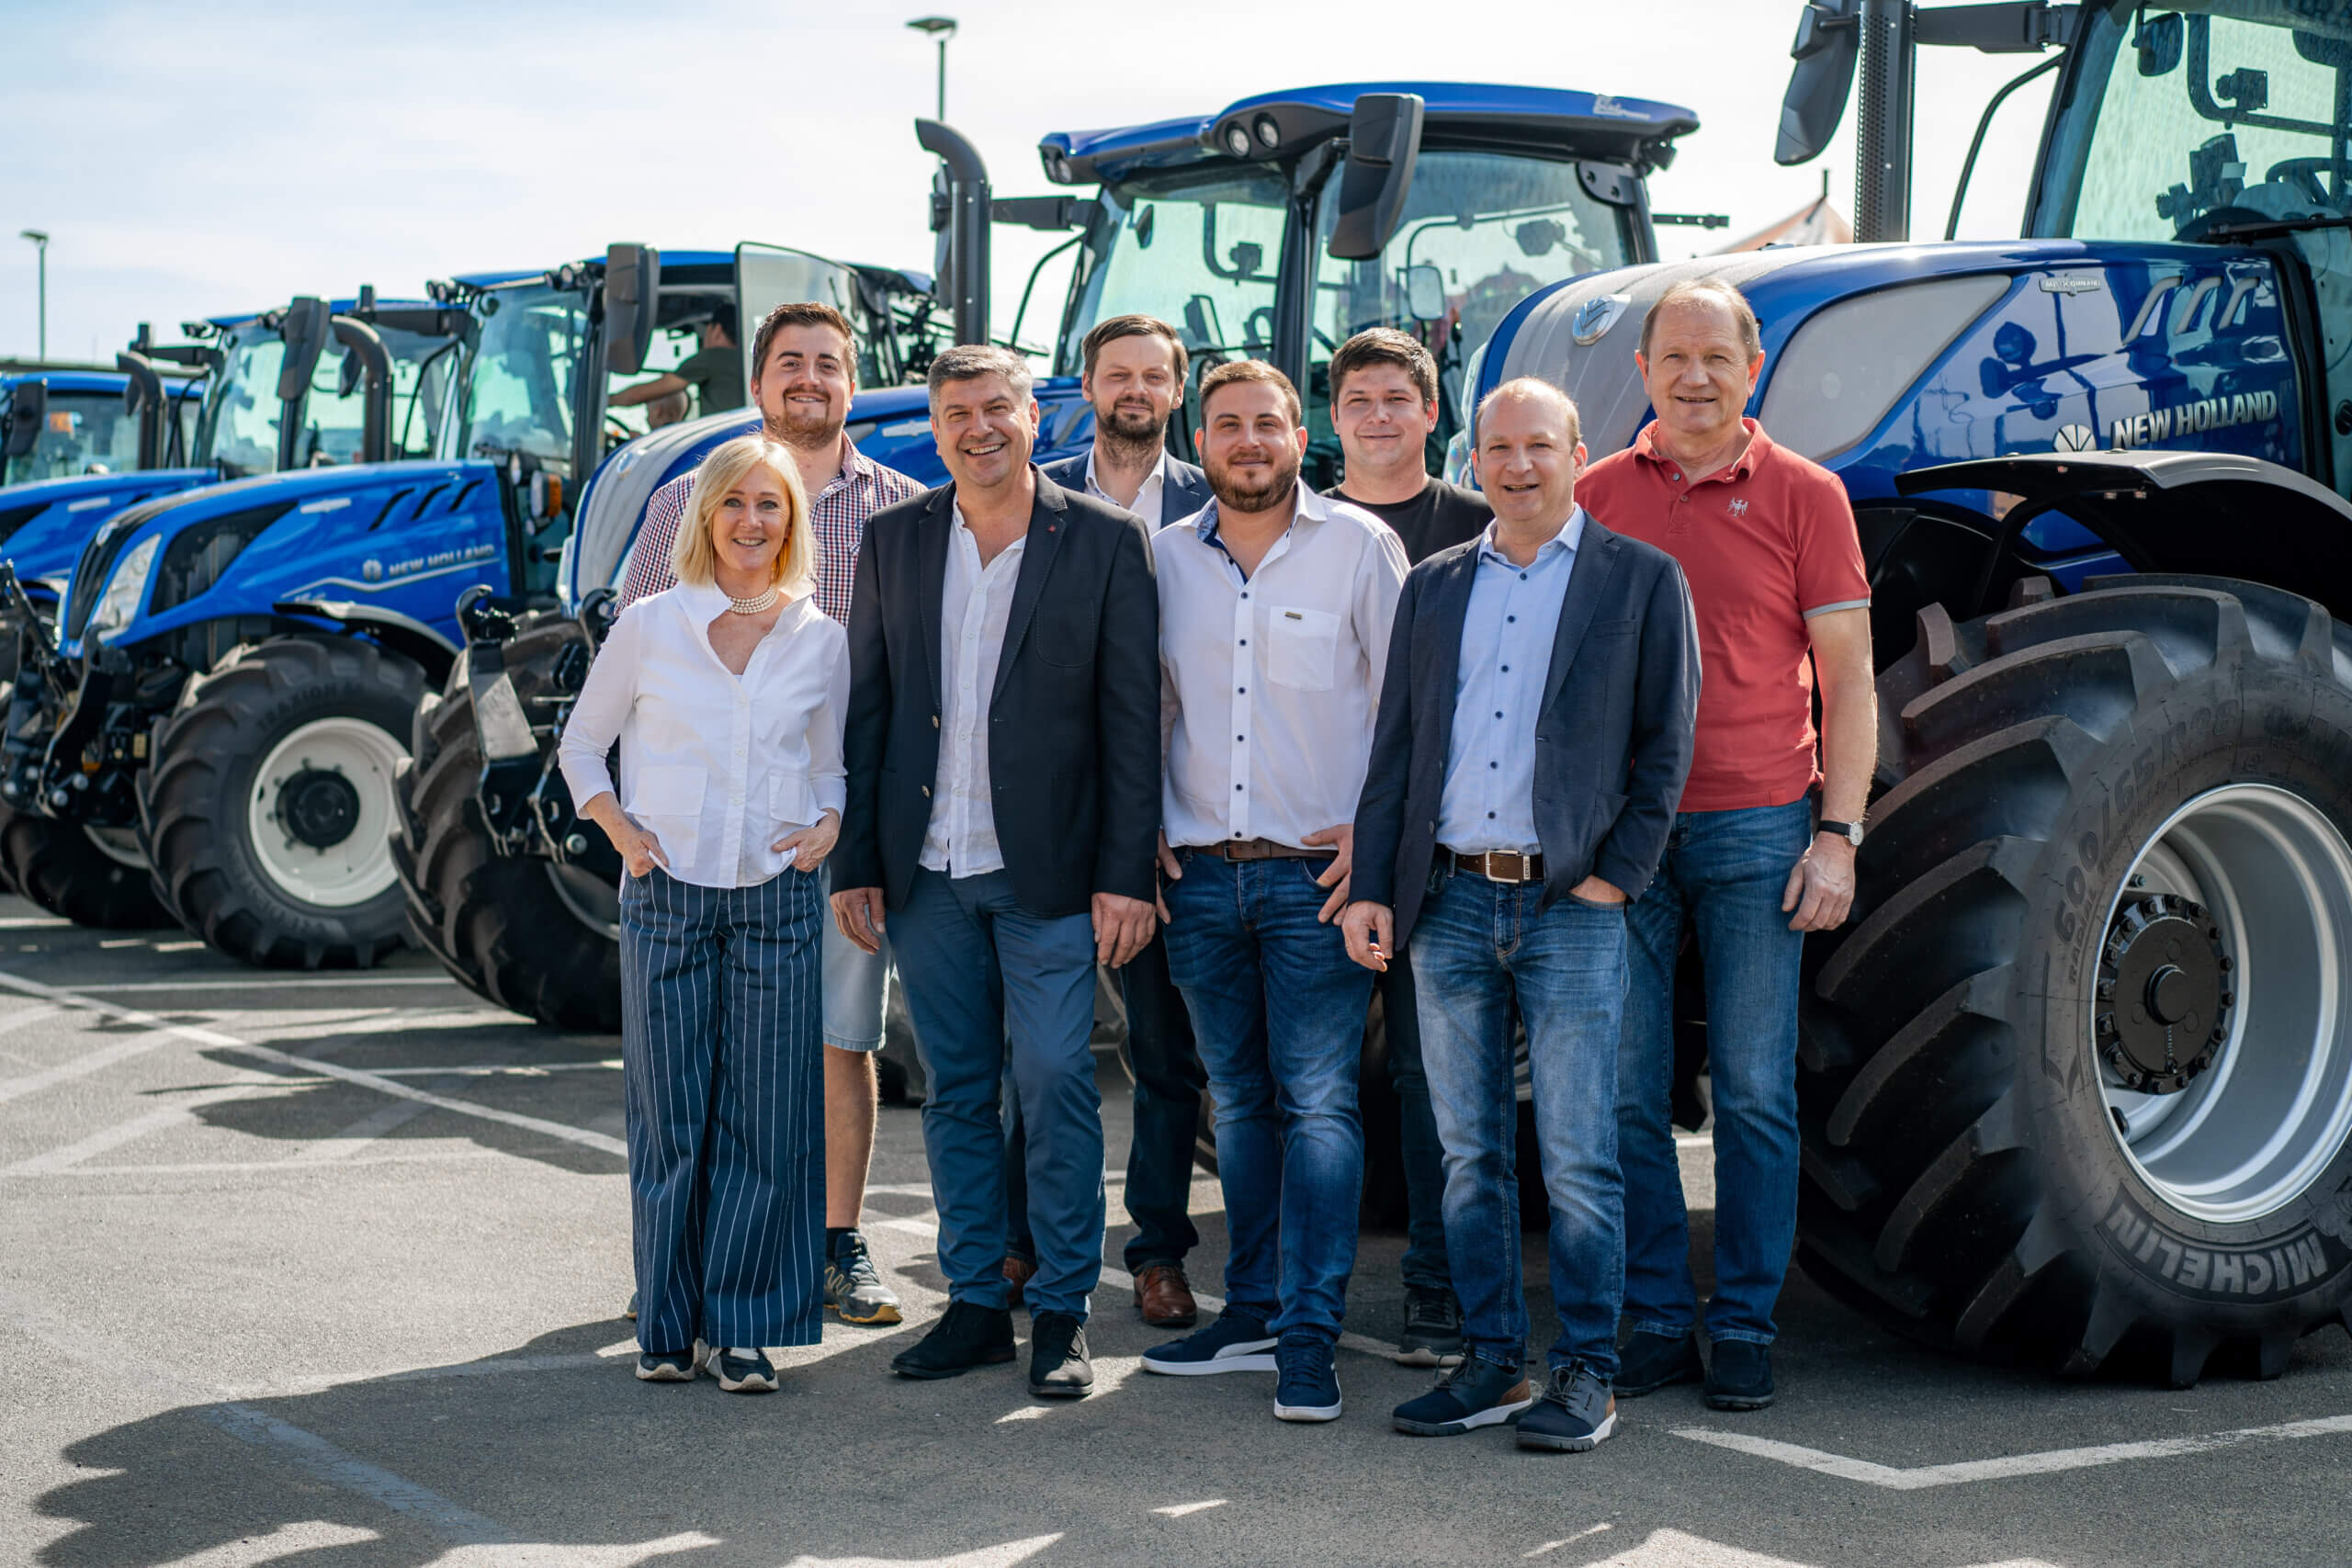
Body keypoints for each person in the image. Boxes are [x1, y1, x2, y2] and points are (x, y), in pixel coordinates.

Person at [1342, 378, 1698, 1453]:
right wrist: (1373, 884)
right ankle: (1492, 1361)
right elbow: (1396, 747)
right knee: (1467, 1153)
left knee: (1581, 1153)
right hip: (1446, 902)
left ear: (1576, 453)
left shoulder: (1639, 580)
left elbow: (1666, 744)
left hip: (1568, 904)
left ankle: (1587, 1370)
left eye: (1539, 446)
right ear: (1476, 459)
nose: (1518, 465)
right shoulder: (1436, 584)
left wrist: (1615, 878)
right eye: (1497, 448)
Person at [833, 344, 1160, 1400]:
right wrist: (857, 862)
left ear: (1034, 415)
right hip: (925, 870)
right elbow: (868, 707)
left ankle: (1060, 1309)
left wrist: (1124, 874)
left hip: (1052, 872)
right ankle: (977, 1300)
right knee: (956, 1092)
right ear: (934, 430)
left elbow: (1130, 723)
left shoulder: (1103, 542)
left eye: (997, 408)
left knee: (1059, 1081)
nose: (978, 428)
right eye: (957, 413)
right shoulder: (895, 540)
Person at [1578, 278, 1873, 1414]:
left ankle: (1744, 1322)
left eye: (1718, 357)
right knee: (1622, 1092)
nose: (1694, 376)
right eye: (1674, 357)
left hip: (1760, 824)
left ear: (1752, 369)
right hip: (1623, 837)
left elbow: (1846, 683)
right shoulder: (1596, 494)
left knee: (1753, 1091)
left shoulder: (1808, 496)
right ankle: (1657, 1316)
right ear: (1643, 372)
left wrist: (1836, 839)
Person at [619, 301, 925, 1331]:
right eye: (789, 363)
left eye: (829, 364)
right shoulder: (681, 504)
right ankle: (688, 1255)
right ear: (756, 385)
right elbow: (639, 661)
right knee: (704, 1051)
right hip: (705, 837)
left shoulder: (905, 507)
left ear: (854, 383)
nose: (809, 379)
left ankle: (837, 1246)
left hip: (835, 826)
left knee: (840, 1040)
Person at [1137, 360, 1406, 1425]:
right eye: (1226, 425)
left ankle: (1308, 1336)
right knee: (1239, 1104)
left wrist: (1375, 840)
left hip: (1316, 884)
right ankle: (1249, 1313)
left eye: (1267, 423)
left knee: (1320, 1105)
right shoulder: (1161, 558)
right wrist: (1144, 829)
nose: (1247, 440)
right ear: (1198, 440)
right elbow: (1146, 707)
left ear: (1302, 436)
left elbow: (1406, 707)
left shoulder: (1358, 547)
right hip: (1200, 878)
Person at [560, 433, 846, 1394]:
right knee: (671, 1117)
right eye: (735, 504)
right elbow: (580, 750)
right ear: (707, 517)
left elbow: (830, 759)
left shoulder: (821, 636)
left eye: (770, 505)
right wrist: (624, 836)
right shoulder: (648, 625)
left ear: (790, 522)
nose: (752, 522)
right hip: (668, 898)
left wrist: (829, 824)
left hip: (777, 899)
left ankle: (745, 1330)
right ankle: (667, 1324)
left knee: (765, 1120)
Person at [1000, 313, 1213, 1330]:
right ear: (1083, 388)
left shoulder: (1217, 508)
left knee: (1164, 1055)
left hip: (1160, 826)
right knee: (1029, 1051)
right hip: (1040, 819)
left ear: (1177, 390)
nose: (1135, 389)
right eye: (1116, 374)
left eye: (1153, 376)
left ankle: (1158, 1251)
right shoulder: (1025, 501)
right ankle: (1018, 1240)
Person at [1327, 326, 1492, 1367]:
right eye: (1360, 401)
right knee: (1306, 1086)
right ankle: (1296, 1295)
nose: (1380, 417)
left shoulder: (1478, 525)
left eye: (1400, 398)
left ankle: (1435, 1290)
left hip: (1435, 854)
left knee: (1434, 1087)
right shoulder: (1297, 525)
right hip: (1315, 852)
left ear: (1432, 413)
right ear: (1331, 418)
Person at [612, 305, 747, 418]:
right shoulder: (744, 361)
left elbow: (643, 393)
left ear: (716, 330)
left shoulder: (715, 357)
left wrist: (609, 400)